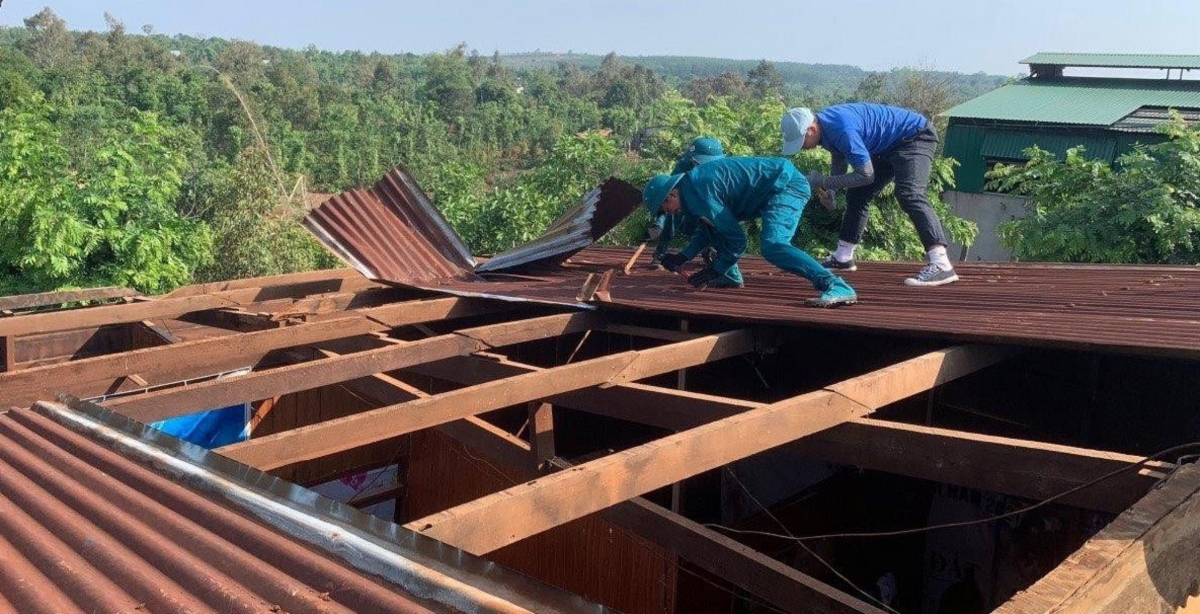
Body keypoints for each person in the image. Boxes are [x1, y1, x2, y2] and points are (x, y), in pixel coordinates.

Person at [781, 104, 959, 286]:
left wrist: (824, 182)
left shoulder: (841, 129)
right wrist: (832, 191)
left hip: (915, 136)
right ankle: (843, 258)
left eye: (801, 141)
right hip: (888, 146)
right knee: (858, 194)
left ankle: (941, 263)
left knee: (909, 193)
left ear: (811, 129)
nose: (801, 148)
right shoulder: (825, 128)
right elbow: (839, 157)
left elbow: (866, 175)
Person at [641, 156, 857, 307]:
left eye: (663, 209)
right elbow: (709, 229)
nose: (667, 213)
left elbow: (738, 240)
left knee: (774, 245)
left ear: (670, 195)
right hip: (773, 187)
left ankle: (835, 285)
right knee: (720, 231)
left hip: (786, 185)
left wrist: (716, 269)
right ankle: (730, 277)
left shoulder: (698, 192)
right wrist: (682, 257)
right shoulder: (691, 192)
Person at [646, 136, 725, 270]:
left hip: (709, 202)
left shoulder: (724, 170)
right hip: (686, 201)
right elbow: (667, 197)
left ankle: (710, 251)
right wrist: (659, 224)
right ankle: (660, 253)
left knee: (713, 221)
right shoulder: (682, 169)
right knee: (672, 216)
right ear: (693, 160)